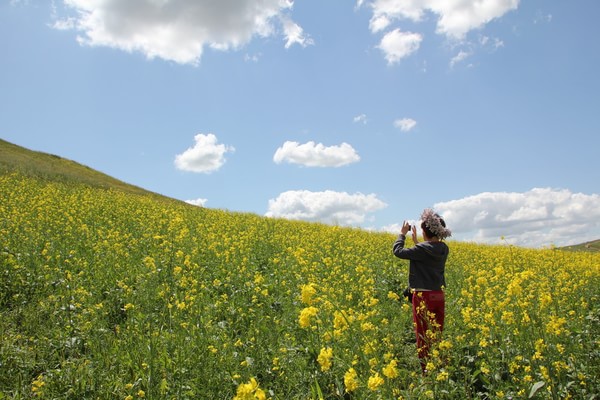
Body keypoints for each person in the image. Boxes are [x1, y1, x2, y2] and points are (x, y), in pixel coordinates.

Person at [392, 208, 451, 373]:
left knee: (423, 335)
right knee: (436, 333)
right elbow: (428, 253)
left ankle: (427, 372)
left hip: (423, 296)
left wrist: (402, 235)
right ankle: (440, 365)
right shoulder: (443, 248)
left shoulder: (422, 249)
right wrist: (417, 243)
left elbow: (398, 252)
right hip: (438, 295)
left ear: (425, 231)